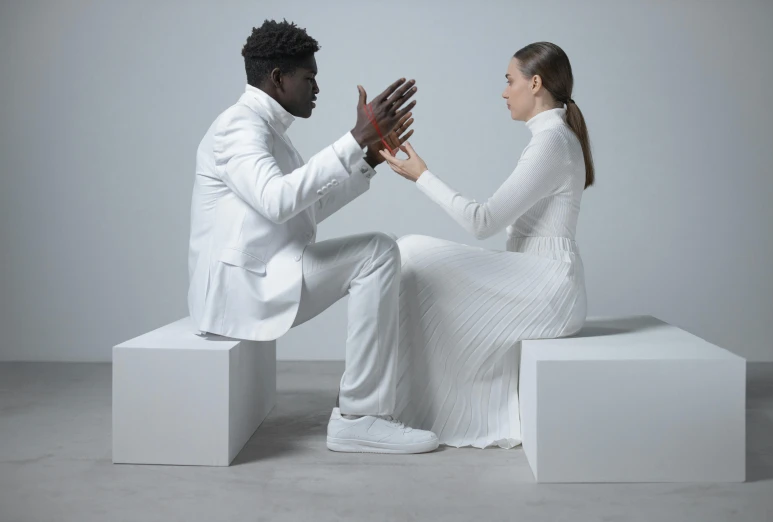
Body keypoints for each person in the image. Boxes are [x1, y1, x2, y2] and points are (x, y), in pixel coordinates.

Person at [187, 20, 439, 454]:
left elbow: (306, 208)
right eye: (309, 78)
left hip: (265, 272)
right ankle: (360, 417)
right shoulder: (238, 127)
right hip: (242, 287)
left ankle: (363, 411)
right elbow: (277, 200)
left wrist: (368, 158)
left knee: (377, 251)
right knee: (377, 252)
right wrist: (354, 137)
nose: (317, 88)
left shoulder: (269, 132)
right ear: (278, 78)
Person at [379, 42, 594, 448]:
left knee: (411, 253)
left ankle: (395, 401)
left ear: (535, 83)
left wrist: (421, 175)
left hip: (548, 289)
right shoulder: (553, 138)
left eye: (509, 80)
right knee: (410, 258)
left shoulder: (552, 142)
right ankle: (394, 397)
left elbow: (483, 222)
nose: (503, 91)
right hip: (539, 279)